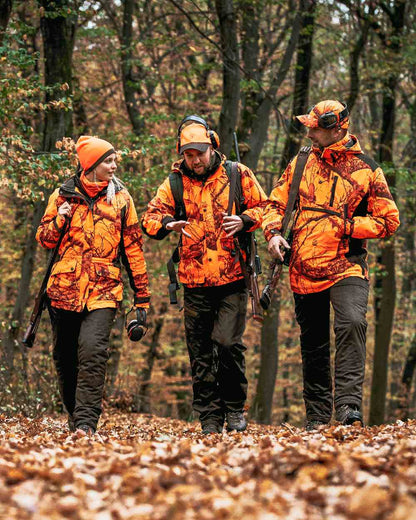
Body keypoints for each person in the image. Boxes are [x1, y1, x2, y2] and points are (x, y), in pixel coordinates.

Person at [263, 100, 400, 430]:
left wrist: (351, 227)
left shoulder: (366, 168)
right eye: (309, 126)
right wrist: (272, 235)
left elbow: (389, 220)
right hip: (303, 267)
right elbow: (275, 204)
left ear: (338, 129)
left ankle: (349, 407)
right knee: (313, 343)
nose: (309, 131)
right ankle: (317, 417)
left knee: (352, 322)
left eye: (316, 127)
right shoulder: (300, 162)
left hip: (347, 265)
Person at [142, 116, 267, 434]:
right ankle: (210, 417)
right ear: (181, 154)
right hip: (193, 280)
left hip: (234, 276)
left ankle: (235, 408)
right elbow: (150, 217)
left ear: (212, 147)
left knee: (226, 344)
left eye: (199, 152)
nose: (195, 159)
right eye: (188, 154)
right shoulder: (175, 182)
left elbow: (266, 208)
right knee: (199, 353)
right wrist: (168, 223)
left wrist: (243, 220)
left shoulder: (237, 174)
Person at [36, 136, 150, 434]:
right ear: (91, 164)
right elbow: (45, 239)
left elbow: (134, 250)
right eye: (108, 161)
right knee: (65, 356)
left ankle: (86, 423)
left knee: (92, 351)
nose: (114, 166)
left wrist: (142, 298)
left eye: (114, 160)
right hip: (63, 290)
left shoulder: (122, 200)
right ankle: (76, 416)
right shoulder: (62, 195)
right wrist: (59, 220)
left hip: (104, 290)